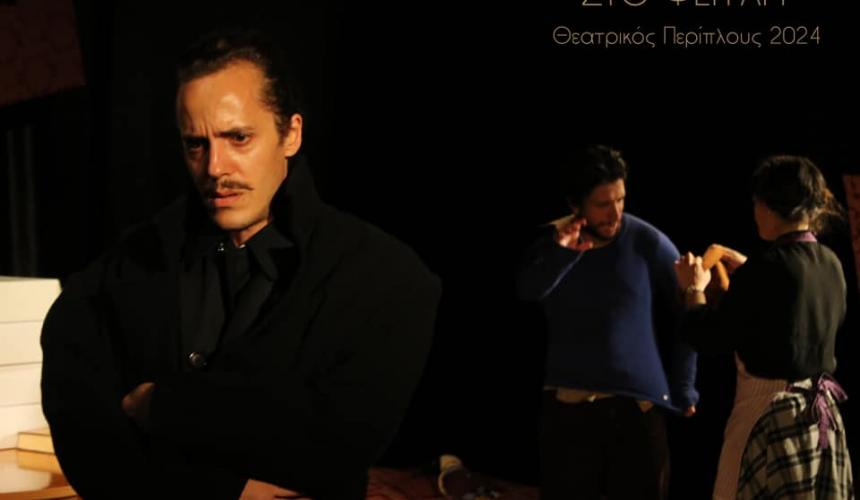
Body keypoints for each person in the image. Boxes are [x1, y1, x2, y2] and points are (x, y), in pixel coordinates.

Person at [40, 30, 441, 500]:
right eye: (196, 144)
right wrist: (224, 488)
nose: (215, 167)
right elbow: (85, 435)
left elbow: (337, 445)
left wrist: (161, 406)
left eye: (238, 138)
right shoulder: (127, 267)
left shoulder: (387, 275)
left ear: (291, 134)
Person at [517, 145, 699, 500]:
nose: (615, 213)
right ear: (575, 204)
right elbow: (527, 290)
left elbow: (690, 307)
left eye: (620, 199)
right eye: (602, 204)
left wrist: (684, 386)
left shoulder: (646, 240)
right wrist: (562, 254)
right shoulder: (553, 242)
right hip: (570, 406)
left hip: (636, 406)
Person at [674, 155, 853, 499]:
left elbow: (709, 336)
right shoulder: (831, 263)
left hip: (769, 412)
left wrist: (693, 289)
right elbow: (794, 309)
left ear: (770, 207)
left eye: (757, 202)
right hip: (821, 414)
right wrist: (750, 275)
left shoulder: (766, 268)